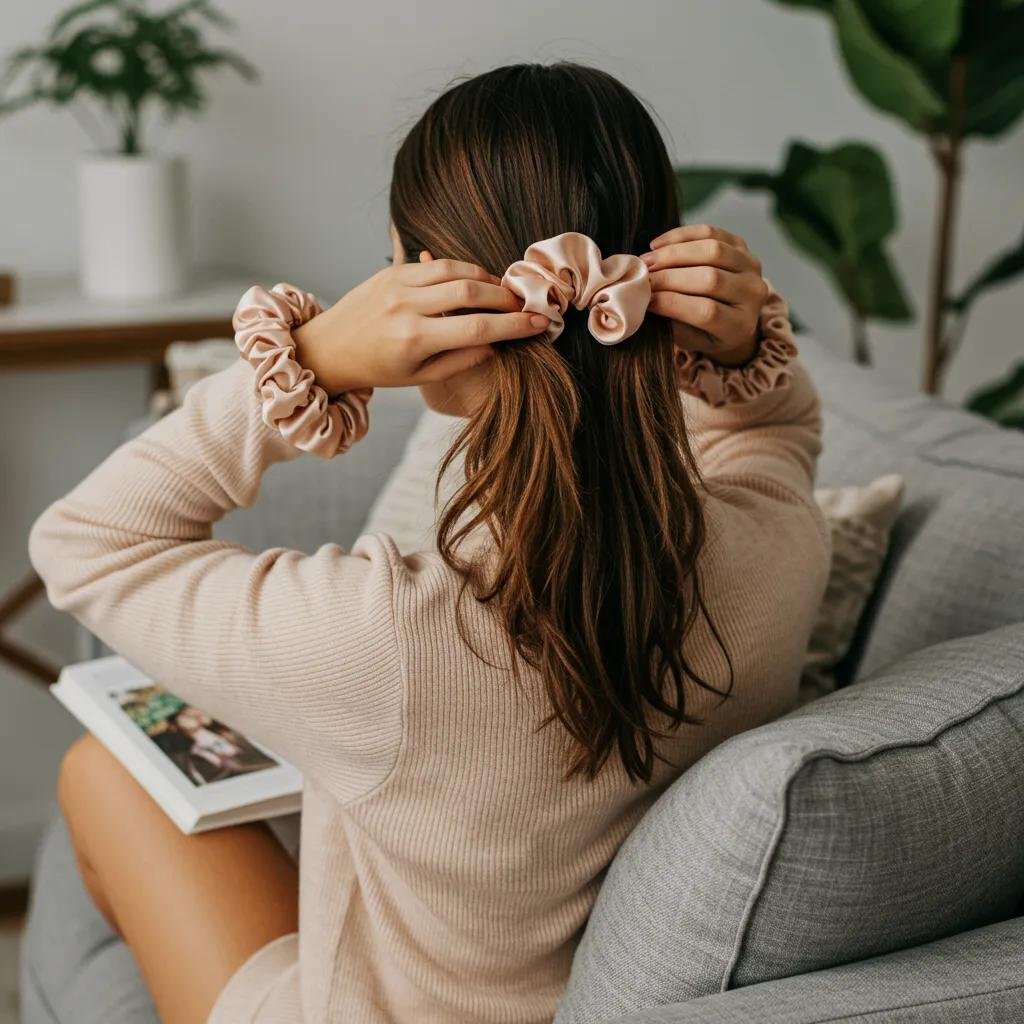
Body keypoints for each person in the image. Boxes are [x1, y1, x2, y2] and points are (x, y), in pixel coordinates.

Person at [31, 63, 829, 1024]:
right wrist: (741, 352)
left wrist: (312, 359)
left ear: (422, 289)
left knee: (101, 774)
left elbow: (86, 542)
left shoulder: (384, 636)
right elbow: (774, 433)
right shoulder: (774, 550)